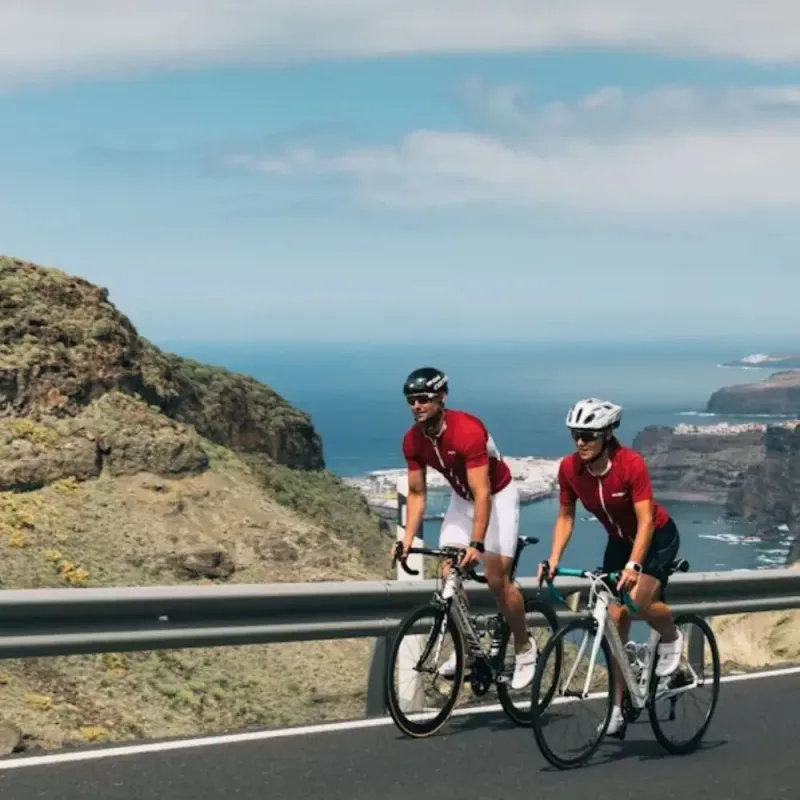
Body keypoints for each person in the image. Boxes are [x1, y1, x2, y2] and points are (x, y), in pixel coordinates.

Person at [537, 397, 684, 737]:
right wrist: (554, 558)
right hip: (618, 541)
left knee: (641, 600)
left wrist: (634, 565)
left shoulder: (630, 464)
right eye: (576, 434)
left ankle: (672, 636)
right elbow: (565, 516)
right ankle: (618, 707)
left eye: (588, 435)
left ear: (606, 435)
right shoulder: (569, 469)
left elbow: (646, 521)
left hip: (657, 536)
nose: (580, 442)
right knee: (615, 620)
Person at [395, 366, 537, 691]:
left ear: (441, 397)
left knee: (497, 580)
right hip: (462, 501)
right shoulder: (413, 440)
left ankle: (524, 646)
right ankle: (467, 651)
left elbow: (483, 492)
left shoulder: (467, 430)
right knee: (449, 573)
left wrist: (476, 543)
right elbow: (417, 494)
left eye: (424, 399)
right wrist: (406, 540)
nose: (416, 405)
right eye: (411, 400)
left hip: (496, 496)